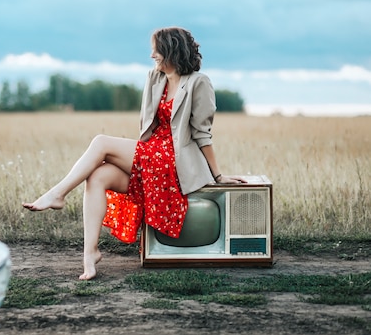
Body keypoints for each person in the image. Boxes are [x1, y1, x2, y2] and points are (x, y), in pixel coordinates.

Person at [23, 26, 246, 280]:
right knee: (98, 176)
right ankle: (90, 254)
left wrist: (217, 176)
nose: (152, 55)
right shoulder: (155, 78)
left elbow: (202, 134)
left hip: (173, 159)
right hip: (152, 153)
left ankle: (57, 194)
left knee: (101, 142)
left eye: (156, 50)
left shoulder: (199, 82)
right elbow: (147, 126)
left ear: (171, 50)